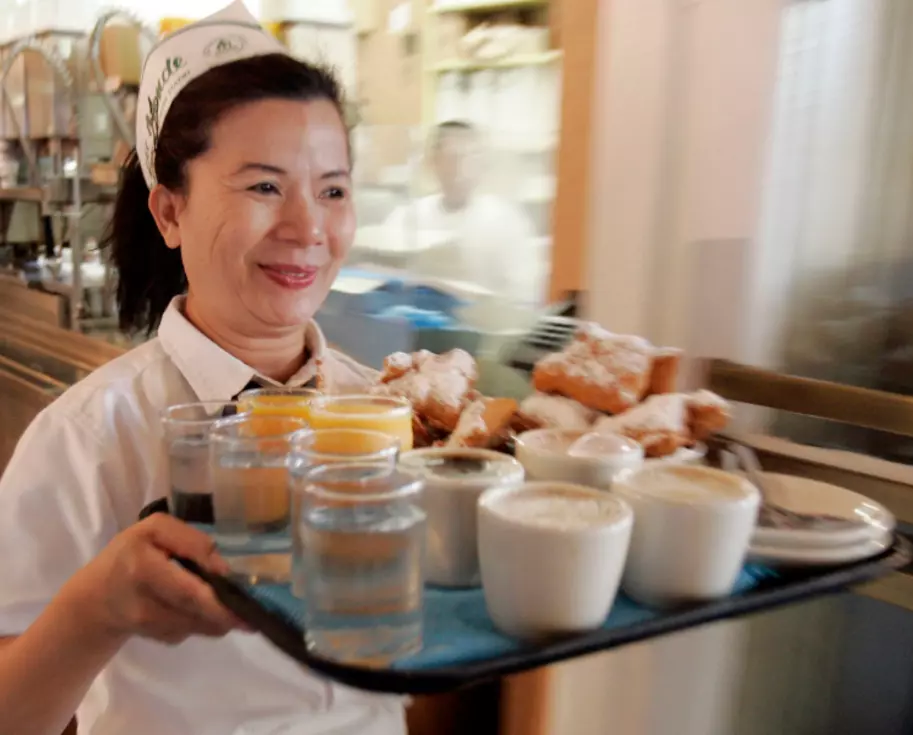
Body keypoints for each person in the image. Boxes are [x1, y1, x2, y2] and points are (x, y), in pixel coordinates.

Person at [0, 3, 404, 734]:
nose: (309, 228)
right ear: (169, 212)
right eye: (263, 186)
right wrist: (98, 607)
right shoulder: (91, 437)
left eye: (333, 189)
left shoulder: (379, 408)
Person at [380, 121, 541, 303]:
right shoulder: (409, 216)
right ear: (433, 162)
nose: (460, 169)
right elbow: (382, 274)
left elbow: (525, 293)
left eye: (470, 158)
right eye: (451, 158)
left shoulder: (506, 220)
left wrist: (465, 296)